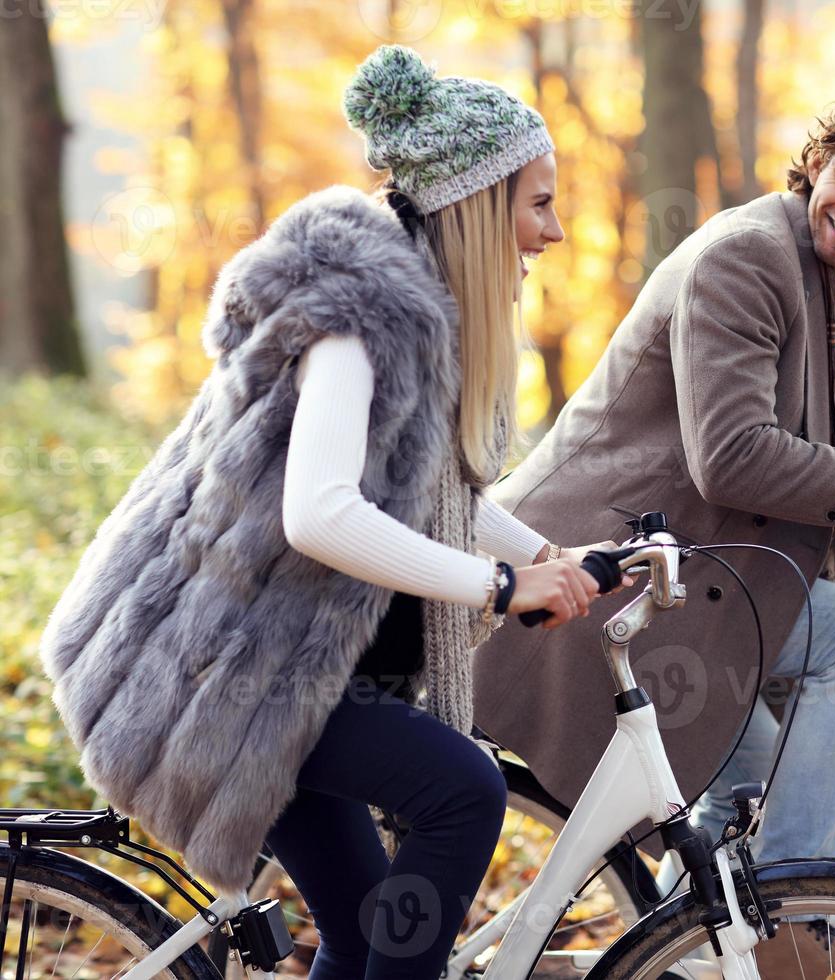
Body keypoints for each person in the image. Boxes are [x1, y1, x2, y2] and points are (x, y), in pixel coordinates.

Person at [39, 45, 609, 980]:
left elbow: (437, 500)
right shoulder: (356, 319)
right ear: (474, 205)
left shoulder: (420, 315)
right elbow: (322, 516)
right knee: (462, 791)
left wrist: (554, 553)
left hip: (287, 673)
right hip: (218, 676)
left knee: (361, 933)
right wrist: (499, 585)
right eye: (539, 202)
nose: (554, 231)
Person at [472, 84, 835, 970]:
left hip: (703, 577)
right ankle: (799, 947)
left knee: (751, 787)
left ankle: (714, 952)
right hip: (604, 568)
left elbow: (828, 460)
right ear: (813, 168)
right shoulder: (747, 257)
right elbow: (731, 459)